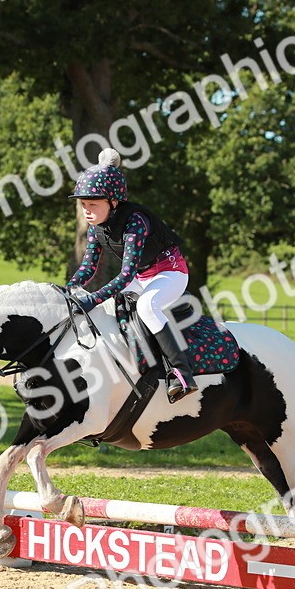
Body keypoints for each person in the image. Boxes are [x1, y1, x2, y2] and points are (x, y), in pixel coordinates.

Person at [66, 148, 198, 402]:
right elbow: (88, 267)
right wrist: (69, 288)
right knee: (111, 308)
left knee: (147, 307)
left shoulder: (135, 221)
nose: (86, 210)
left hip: (170, 273)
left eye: (93, 204)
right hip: (143, 276)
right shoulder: (96, 227)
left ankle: (181, 373)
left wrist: (92, 298)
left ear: (113, 202)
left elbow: (125, 275)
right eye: (83, 204)